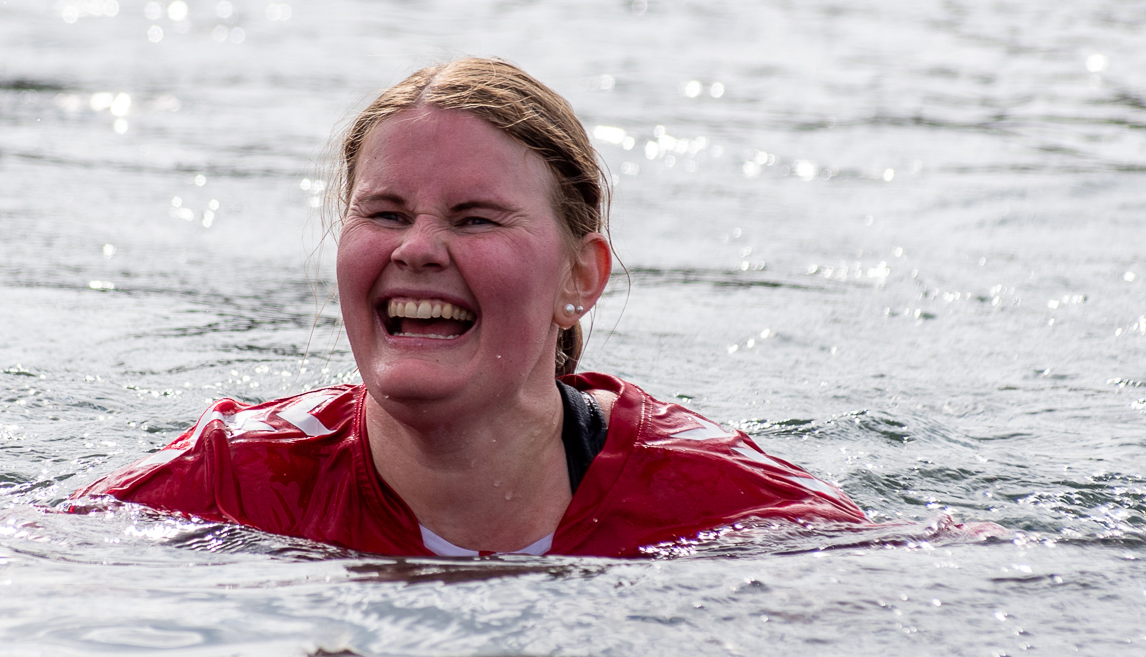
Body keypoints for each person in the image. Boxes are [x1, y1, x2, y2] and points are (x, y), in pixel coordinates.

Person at [69, 57, 868, 557]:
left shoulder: (731, 512)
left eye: (476, 219)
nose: (416, 247)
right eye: (385, 214)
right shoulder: (232, 483)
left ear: (579, 279)